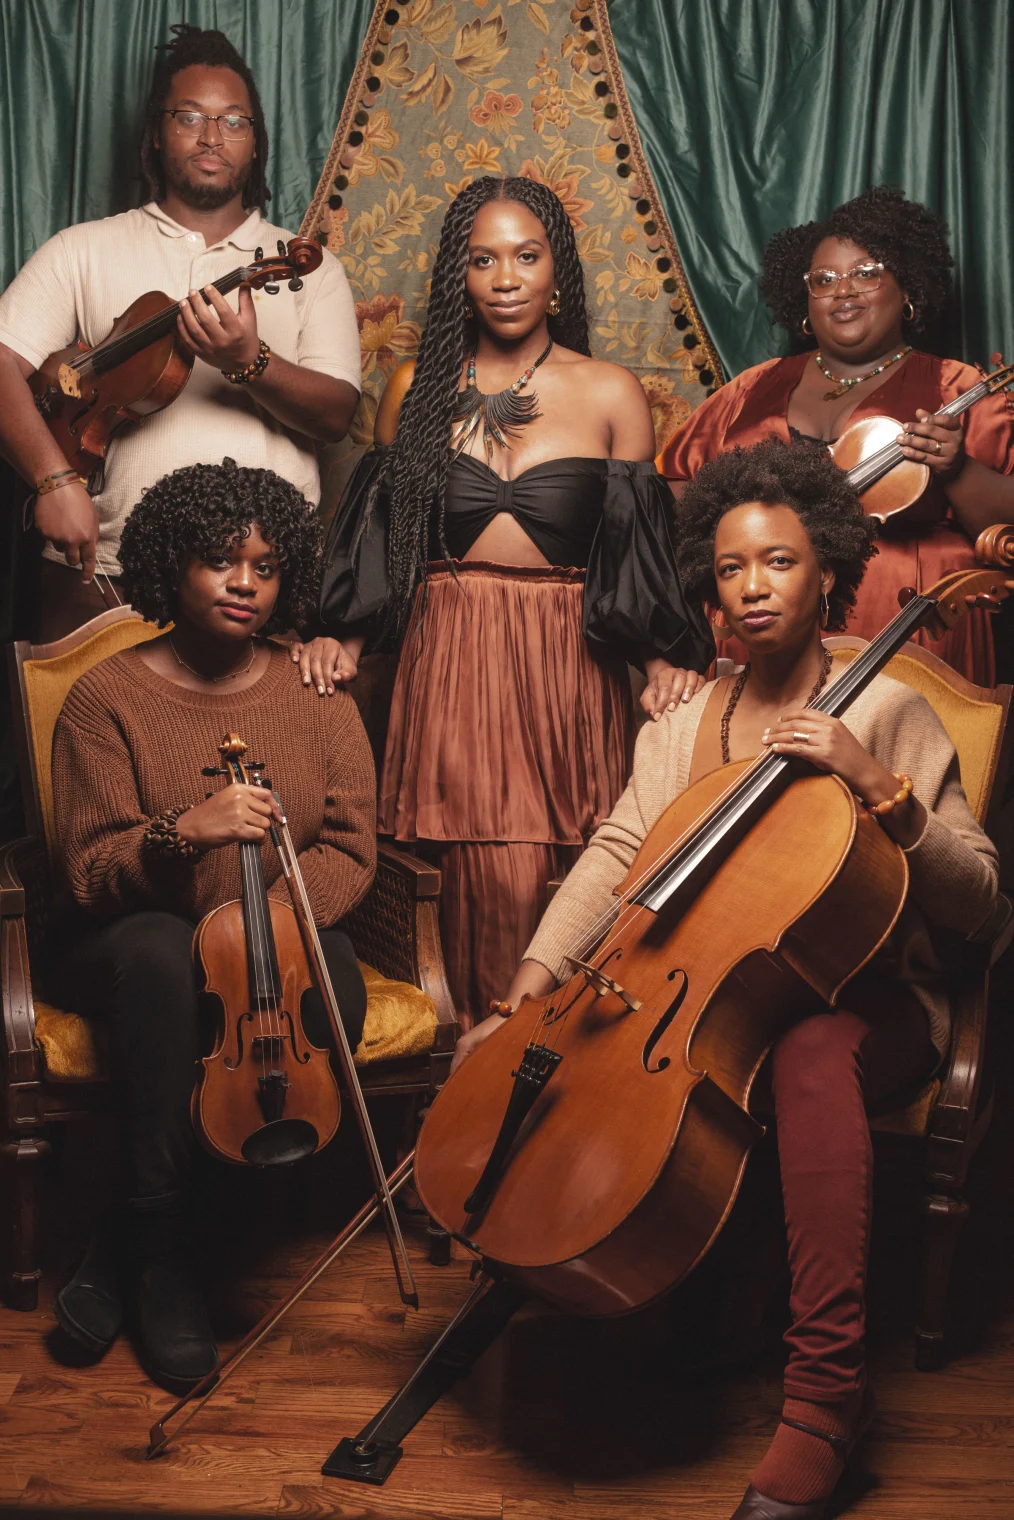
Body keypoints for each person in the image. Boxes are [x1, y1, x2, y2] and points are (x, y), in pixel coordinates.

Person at [454, 439, 999, 1517]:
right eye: (733, 567)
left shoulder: (889, 708)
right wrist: (528, 983)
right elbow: (617, 855)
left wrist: (877, 784)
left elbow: (980, 901)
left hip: (863, 1004)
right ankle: (672, 1288)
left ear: (827, 570)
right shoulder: (684, 723)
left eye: (781, 563)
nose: (753, 588)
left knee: (804, 1055)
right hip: (701, 997)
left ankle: (828, 1398)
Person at [292, 175, 713, 1030]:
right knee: (483, 871)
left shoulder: (610, 392)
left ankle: (566, 1094)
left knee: (583, 866)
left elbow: (635, 553)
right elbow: (388, 535)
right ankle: (477, 1087)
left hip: (570, 658)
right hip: (455, 652)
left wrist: (667, 656)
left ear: (558, 273)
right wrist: (343, 633)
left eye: (527, 255)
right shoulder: (417, 386)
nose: (508, 276)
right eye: (484, 260)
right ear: (461, 278)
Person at [48, 459, 376, 1393]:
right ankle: (157, 1249)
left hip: (276, 928)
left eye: (267, 568)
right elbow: (84, 869)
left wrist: (258, 925)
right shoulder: (105, 698)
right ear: (168, 566)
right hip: (131, 937)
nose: (245, 584)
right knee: (159, 958)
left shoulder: (316, 693)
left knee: (337, 981)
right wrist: (177, 833)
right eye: (220, 562)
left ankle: (145, 1239)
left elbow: (353, 851)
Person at [0, 23, 361, 642]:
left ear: (256, 141)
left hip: (258, 587)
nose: (212, 135)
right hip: (105, 577)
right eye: (190, 115)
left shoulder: (307, 266)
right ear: (158, 132)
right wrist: (54, 480)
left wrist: (250, 362)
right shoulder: (81, 250)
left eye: (234, 120)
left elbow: (336, 415)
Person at [658, 186, 1014, 685]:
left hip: (903, 621)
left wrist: (956, 467)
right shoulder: (751, 387)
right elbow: (670, 495)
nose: (843, 291)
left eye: (866, 273)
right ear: (805, 301)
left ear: (907, 287)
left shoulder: (956, 386)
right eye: (823, 280)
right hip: (761, 621)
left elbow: (1004, 523)